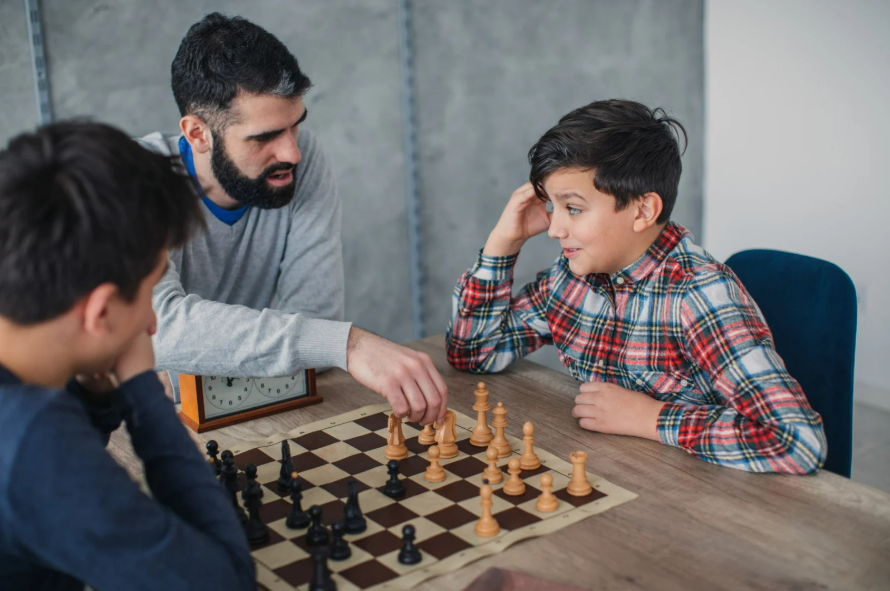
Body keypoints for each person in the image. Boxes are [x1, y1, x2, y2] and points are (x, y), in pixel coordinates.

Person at [446, 99, 827, 474]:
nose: (555, 229)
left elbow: (796, 441)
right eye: (551, 207)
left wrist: (653, 418)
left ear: (643, 211)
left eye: (573, 208)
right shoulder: (571, 276)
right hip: (618, 476)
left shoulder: (697, 295)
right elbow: (474, 353)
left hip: (705, 499)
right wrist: (503, 243)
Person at [138, 13, 446, 425]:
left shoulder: (304, 158)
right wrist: (349, 345)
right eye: (263, 137)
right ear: (197, 134)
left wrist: (182, 368)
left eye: (294, 127)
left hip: (240, 417)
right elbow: (160, 327)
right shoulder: (130, 180)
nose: (292, 154)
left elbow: (316, 328)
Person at [0, 122, 254, 590]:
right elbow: (225, 581)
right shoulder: (31, 443)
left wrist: (96, 398)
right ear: (100, 312)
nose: (152, 323)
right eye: (151, 290)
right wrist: (140, 385)